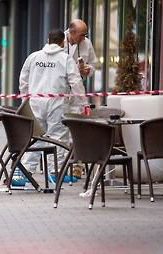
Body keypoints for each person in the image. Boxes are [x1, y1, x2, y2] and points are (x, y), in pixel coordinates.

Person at [18, 28, 87, 184]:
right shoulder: (66, 59)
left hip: (36, 103)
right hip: (57, 104)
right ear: (63, 42)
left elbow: (23, 80)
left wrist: (25, 99)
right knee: (58, 138)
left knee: (35, 138)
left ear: (48, 40)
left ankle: (25, 173)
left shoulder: (34, 57)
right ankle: (55, 173)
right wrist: (82, 104)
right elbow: (76, 83)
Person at [64, 19, 97, 178]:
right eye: (82, 35)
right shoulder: (58, 42)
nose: (84, 38)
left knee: (78, 127)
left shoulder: (87, 44)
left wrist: (86, 70)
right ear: (72, 32)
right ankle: (63, 164)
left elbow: (93, 65)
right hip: (61, 92)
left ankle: (78, 164)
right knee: (62, 129)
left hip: (78, 92)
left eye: (85, 35)